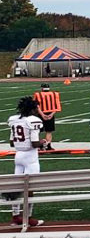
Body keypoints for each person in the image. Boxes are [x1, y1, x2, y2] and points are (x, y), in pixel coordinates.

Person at [7, 97, 44, 227]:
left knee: (16, 186)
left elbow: (12, 143)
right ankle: (28, 217)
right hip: (30, 157)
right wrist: (43, 142)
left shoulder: (14, 120)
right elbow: (34, 143)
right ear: (32, 110)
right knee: (30, 187)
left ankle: (15, 216)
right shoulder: (33, 120)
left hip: (18, 156)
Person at [32, 83, 60, 150]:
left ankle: (38, 146)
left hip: (40, 114)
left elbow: (36, 106)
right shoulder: (54, 94)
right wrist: (51, 114)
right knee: (49, 131)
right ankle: (48, 145)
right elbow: (57, 106)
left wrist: (42, 114)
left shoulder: (38, 95)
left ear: (42, 88)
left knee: (37, 131)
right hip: (50, 113)